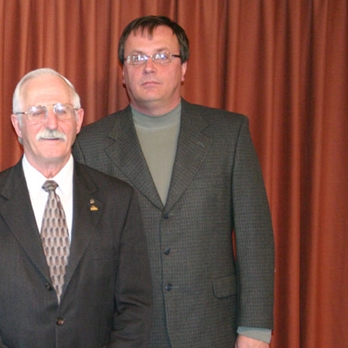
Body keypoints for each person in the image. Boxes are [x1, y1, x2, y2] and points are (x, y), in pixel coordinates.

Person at [73, 16, 274, 348]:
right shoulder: (90, 145)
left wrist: (255, 330)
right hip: (126, 333)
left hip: (212, 326)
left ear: (183, 69)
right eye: (136, 58)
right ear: (123, 73)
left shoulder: (229, 134)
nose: (149, 67)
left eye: (162, 56)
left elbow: (255, 236)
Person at [0, 68, 153, 347]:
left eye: (62, 109)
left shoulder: (118, 200)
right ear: (17, 125)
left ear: (78, 120)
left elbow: (136, 305)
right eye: (36, 112)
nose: (52, 122)